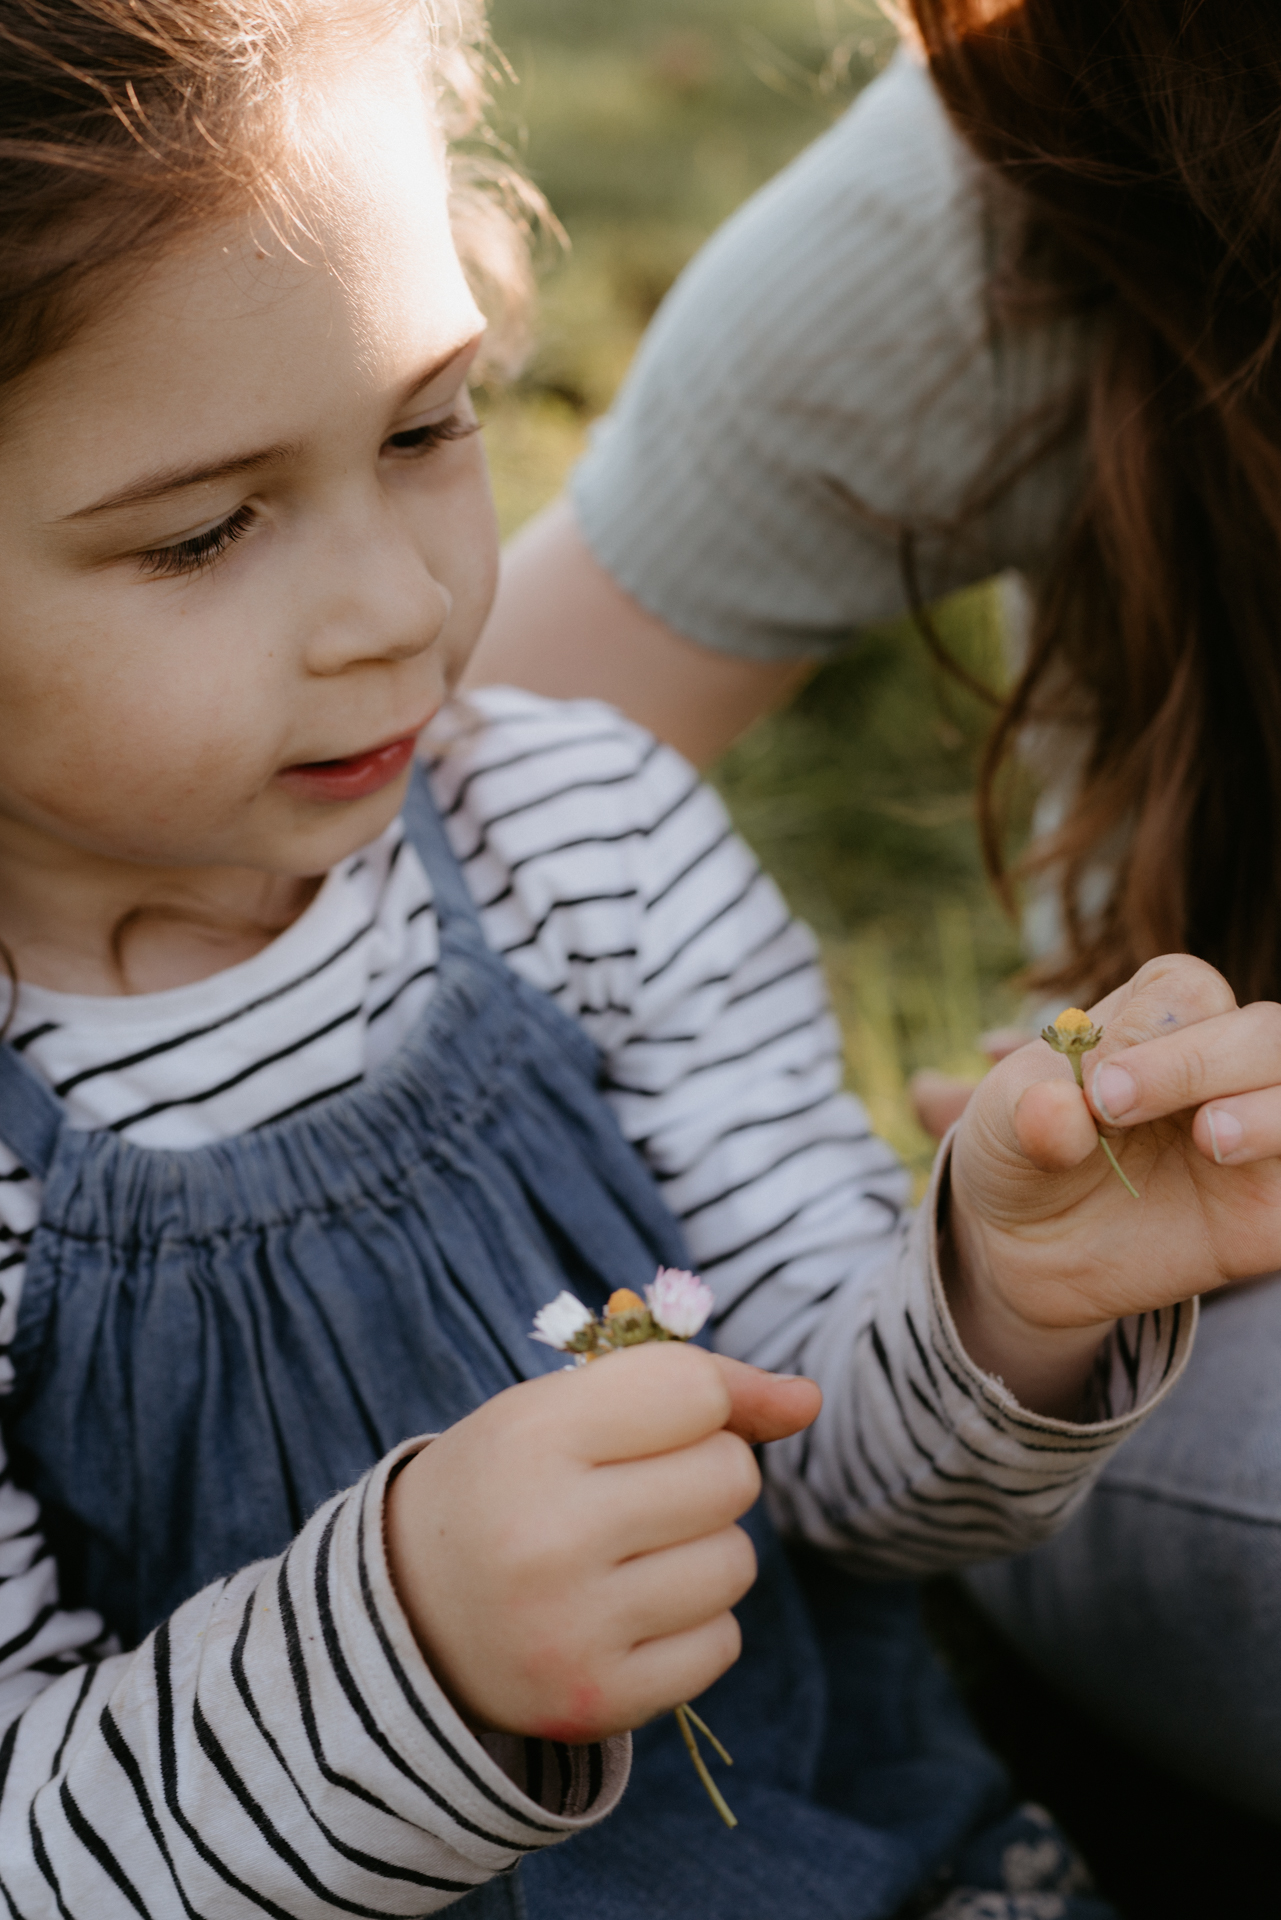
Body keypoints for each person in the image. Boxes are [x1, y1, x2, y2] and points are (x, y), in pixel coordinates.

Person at [0, 4, 1277, 1915]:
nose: (400, 605)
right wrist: (411, 1646)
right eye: (199, 535)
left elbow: (854, 1481)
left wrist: (1004, 1298)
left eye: (430, 430)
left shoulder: (569, 841)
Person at [471, 0, 1281, 1821]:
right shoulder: (1041, 167)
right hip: (1190, 1338)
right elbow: (414, 768)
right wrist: (996, 1286)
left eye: (434, 436)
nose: (367, 593)